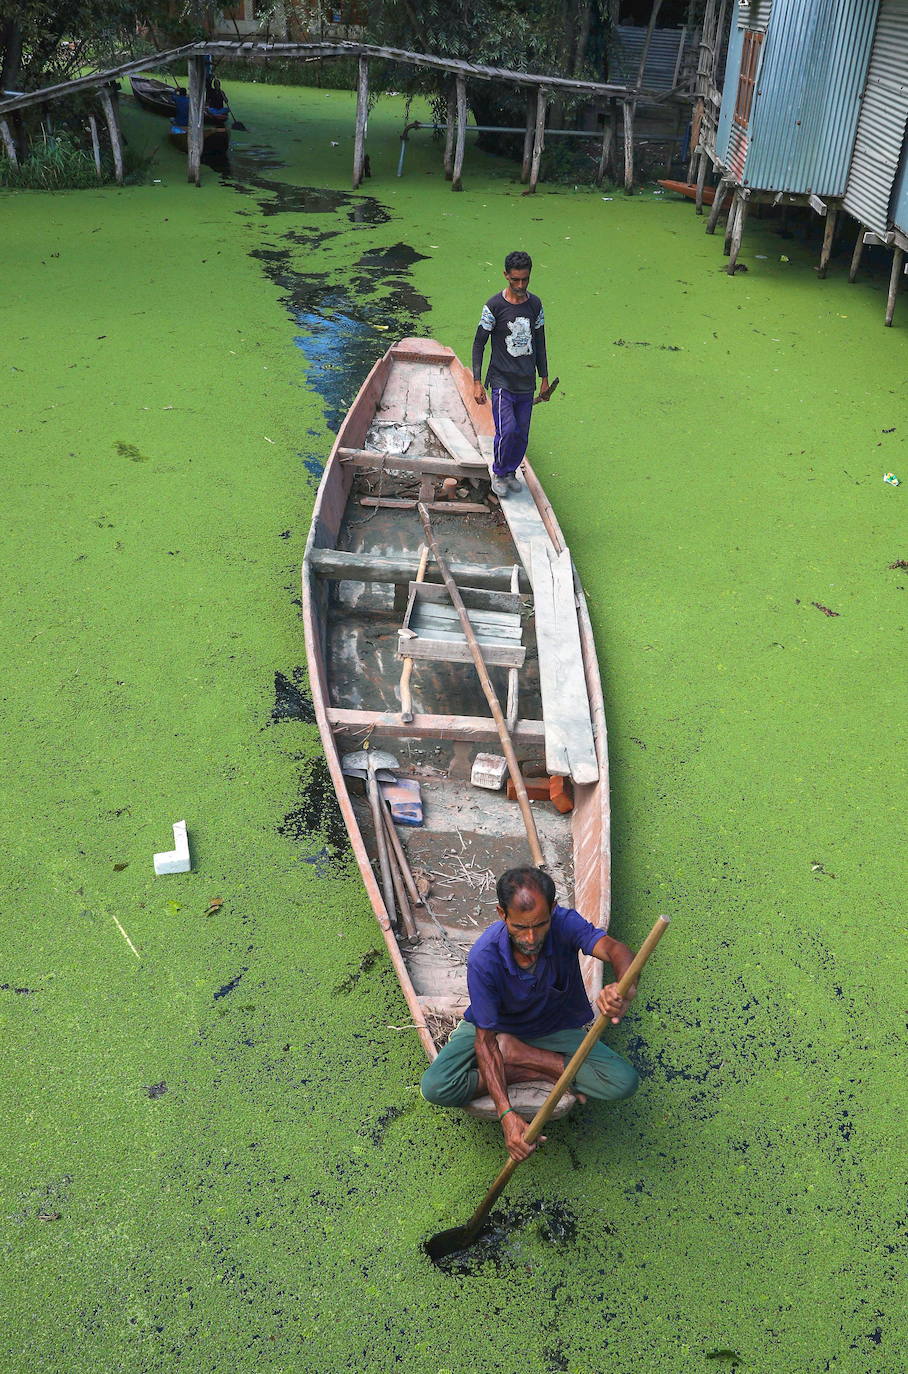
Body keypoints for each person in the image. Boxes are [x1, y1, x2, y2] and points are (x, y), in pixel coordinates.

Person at [420, 867, 640, 1161]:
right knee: (436, 1087)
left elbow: (617, 951)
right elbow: (485, 1043)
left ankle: (518, 1054)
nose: (531, 937)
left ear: (552, 909)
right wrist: (506, 1114)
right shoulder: (484, 958)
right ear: (502, 914)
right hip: (495, 1028)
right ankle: (535, 1064)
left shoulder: (564, 923)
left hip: (552, 1026)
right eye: (520, 928)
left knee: (623, 1082)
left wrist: (622, 989)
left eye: (540, 925)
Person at [471, 250, 552, 500]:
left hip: (525, 381)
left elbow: (540, 341)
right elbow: (479, 343)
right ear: (505, 275)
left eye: (524, 280)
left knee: (522, 433)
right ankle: (500, 471)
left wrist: (544, 378)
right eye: (514, 280)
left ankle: (511, 472)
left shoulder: (535, 305)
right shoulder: (494, 306)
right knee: (507, 429)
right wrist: (477, 381)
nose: (519, 285)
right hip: (501, 380)